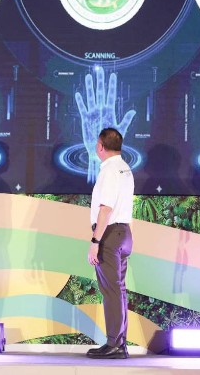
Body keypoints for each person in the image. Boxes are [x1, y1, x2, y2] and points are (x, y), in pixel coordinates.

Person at [86, 128, 135, 359]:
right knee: (118, 290)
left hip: (110, 234)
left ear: (100, 146)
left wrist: (95, 241)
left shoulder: (109, 170)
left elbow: (105, 209)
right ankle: (119, 342)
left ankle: (114, 343)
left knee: (112, 291)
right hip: (124, 232)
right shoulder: (125, 168)